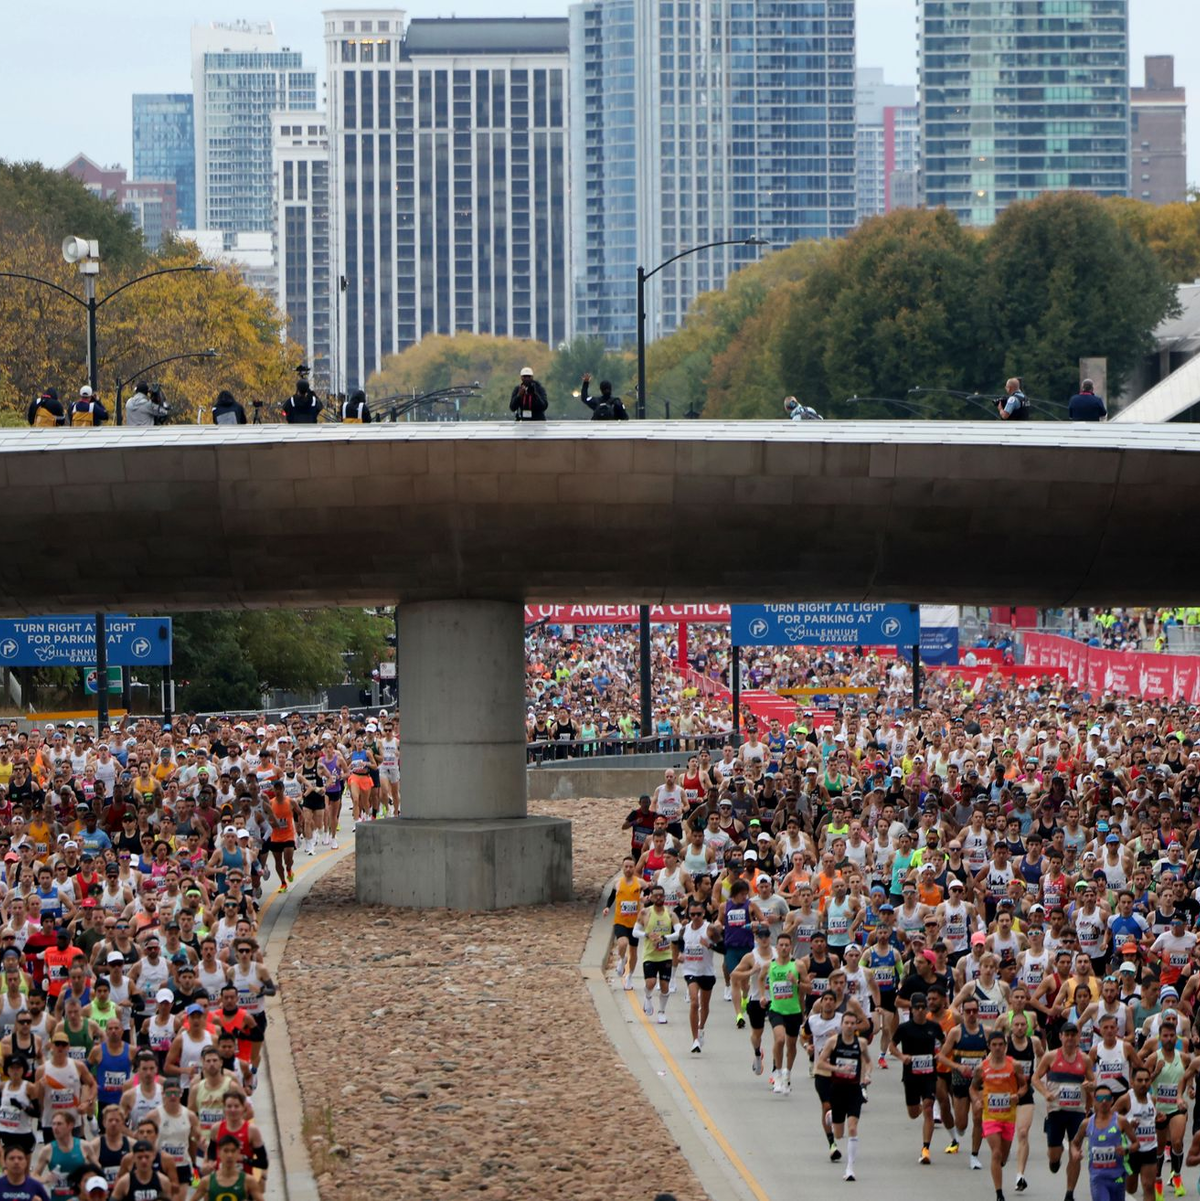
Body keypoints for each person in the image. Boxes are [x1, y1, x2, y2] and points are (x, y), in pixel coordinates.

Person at [816, 1010, 871, 1181]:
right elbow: (821, 1062)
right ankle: (832, 1116)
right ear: (841, 1025)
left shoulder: (861, 1043)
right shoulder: (833, 1042)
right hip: (837, 1089)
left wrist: (867, 1075)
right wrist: (838, 1069)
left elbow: (868, 1061)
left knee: (852, 1128)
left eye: (852, 1023)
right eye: (846, 1023)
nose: (848, 1026)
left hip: (854, 1090)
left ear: (856, 1026)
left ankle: (850, 1168)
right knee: (839, 1134)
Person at [891, 991, 943, 1165]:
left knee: (928, 1108)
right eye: (917, 1008)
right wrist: (901, 1056)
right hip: (911, 1075)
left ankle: (925, 1149)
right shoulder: (905, 1028)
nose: (920, 1011)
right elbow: (892, 1046)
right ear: (911, 1010)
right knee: (914, 1113)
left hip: (929, 1075)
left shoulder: (933, 1027)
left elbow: (945, 1043)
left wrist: (940, 1054)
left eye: (923, 1007)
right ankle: (919, 1107)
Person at [971, 1030, 1021, 1201]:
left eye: (1001, 1045)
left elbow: (1024, 1086)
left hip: (1009, 1117)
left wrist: (1018, 1096)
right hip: (990, 1117)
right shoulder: (981, 1067)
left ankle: (998, 1167)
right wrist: (977, 1099)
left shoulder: (1014, 1065)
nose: (998, 1048)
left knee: (1003, 1157)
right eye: (994, 1045)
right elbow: (972, 1088)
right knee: (996, 1153)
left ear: (1006, 1047)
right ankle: (999, 1194)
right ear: (989, 1046)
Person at [1070, 1083, 1132, 1201]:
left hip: (1118, 1177)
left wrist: (1127, 1149)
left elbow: (1136, 1143)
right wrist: (1074, 1153)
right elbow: (1075, 1143)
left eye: (1107, 1098)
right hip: (1097, 1178)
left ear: (1112, 1100)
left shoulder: (1121, 1121)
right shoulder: (1086, 1123)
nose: (1104, 1101)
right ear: (1094, 1100)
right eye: (1099, 1098)